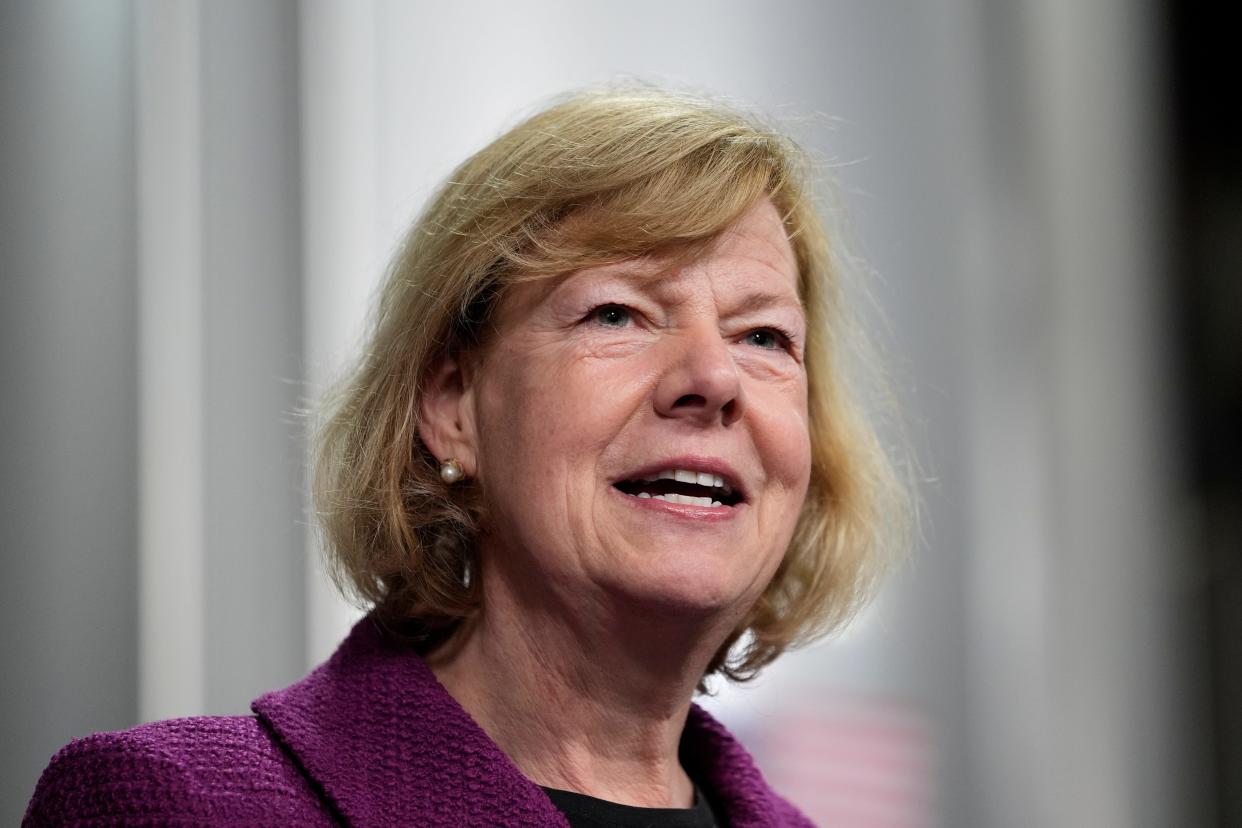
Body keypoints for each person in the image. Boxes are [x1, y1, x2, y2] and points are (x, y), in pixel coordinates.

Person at [24, 86, 908, 827]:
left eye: (763, 335)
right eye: (619, 313)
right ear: (452, 406)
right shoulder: (173, 806)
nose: (714, 377)